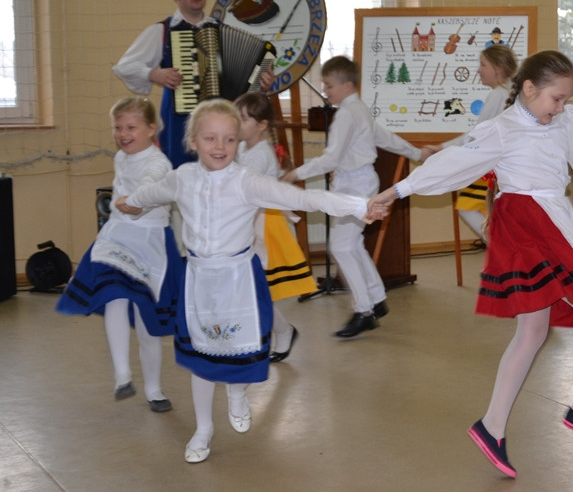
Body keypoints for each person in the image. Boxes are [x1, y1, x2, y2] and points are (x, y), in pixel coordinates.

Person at [370, 51, 573, 479]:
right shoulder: (501, 129)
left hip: (547, 217)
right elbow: (452, 165)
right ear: (528, 89)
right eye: (555, 99)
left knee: (534, 329)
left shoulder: (566, 122)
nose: (560, 107)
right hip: (527, 219)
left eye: (565, 99)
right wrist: (396, 191)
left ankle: (492, 427)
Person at [117, 99, 385, 463]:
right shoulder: (182, 179)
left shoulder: (247, 182)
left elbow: (303, 198)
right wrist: (130, 201)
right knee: (201, 359)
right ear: (193, 141)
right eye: (210, 138)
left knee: (238, 349)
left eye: (229, 140)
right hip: (198, 281)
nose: (220, 147)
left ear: (238, 144)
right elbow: (150, 194)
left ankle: (238, 392)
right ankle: (204, 429)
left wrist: (358, 206)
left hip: (238, 279)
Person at [281, 56, 434, 338]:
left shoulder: (348, 114)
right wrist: (416, 153)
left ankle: (364, 311)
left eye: (329, 85)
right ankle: (375, 298)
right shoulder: (358, 109)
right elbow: (385, 138)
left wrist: (294, 175)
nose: (325, 91)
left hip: (355, 187)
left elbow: (331, 159)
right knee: (351, 245)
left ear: (347, 85)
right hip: (358, 183)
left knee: (341, 247)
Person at [56, 96, 183, 412]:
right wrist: (121, 205)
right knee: (114, 295)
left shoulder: (159, 163)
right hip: (117, 236)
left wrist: (136, 200)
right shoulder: (120, 158)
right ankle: (122, 375)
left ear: (151, 129)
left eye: (131, 127)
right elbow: (120, 196)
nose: (123, 133)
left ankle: (154, 388)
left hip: (150, 242)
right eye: (117, 127)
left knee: (146, 321)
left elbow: (152, 185)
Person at [113, 0, 274, 168]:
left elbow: (243, 84)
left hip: (220, 121)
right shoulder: (162, 31)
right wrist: (154, 74)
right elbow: (125, 66)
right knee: (179, 175)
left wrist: (261, 84)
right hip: (178, 121)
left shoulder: (222, 31)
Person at [234, 92, 313, 362]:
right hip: (248, 221)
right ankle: (281, 331)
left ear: (262, 125)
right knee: (252, 289)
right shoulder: (244, 147)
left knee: (256, 288)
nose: (237, 123)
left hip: (262, 224)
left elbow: (244, 191)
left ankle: (277, 333)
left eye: (243, 119)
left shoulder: (259, 155)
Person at [445, 45, 519, 242]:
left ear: (498, 68)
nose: (478, 69)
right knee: (481, 209)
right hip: (500, 165)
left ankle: (501, 250)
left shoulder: (499, 94)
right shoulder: (507, 92)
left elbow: (476, 136)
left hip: (494, 166)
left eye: (483, 64)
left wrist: (442, 149)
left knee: (467, 207)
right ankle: (504, 250)